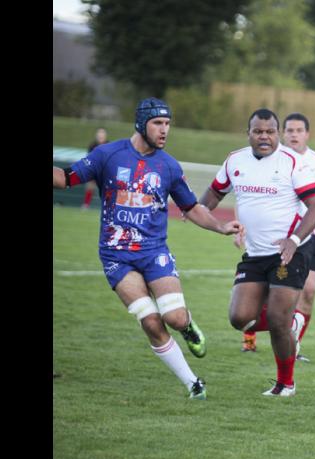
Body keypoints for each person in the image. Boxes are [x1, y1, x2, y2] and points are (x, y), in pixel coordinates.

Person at [52, 98, 243, 399]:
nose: (165, 130)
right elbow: (65, 178)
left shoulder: (168, 166)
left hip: (154, 252)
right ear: (141, 123)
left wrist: (221, 226)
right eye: (158, 123)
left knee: (174, 318)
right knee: (151, 321)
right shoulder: (107, 154)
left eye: (167, 124)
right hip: (116, 256)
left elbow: (191, 207)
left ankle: (188, 325)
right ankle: (194, 384)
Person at [199, 108, 315, 397]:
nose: (264, 137)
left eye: (270, 131)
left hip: (288, 253)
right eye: (258, 131)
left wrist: (293, 240)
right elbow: (216, 191)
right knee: (239, 318)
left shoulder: (293, 162)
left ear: (277, 133)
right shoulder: (235, 160)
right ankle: (291, 319)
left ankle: (285, 384)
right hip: (254, 254)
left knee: (279, 323)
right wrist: (198, 210)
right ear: (249, 133)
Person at [239, 113, 315, 357]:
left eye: (299, 130)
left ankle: (293, 342)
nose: (293, 135)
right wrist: (241, 225)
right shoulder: (267, 160)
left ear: (307, 134)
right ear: (283, 133)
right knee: (267, 292)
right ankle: (250, 335)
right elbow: (248, 195)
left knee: (309, 292)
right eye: (289, 130)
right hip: (274, 237)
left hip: (310, 237)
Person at [81, 127, 110, 209]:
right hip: (94, 170)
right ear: (96, 135)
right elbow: (88, 158)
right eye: (99, 133)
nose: (100, 135)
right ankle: (86, 205)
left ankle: (108, 206)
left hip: (105, 170)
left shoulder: (109, 145)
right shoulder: (92, 145)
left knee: (109, 188)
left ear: (105, 135)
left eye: (102, 133)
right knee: (89, 186)